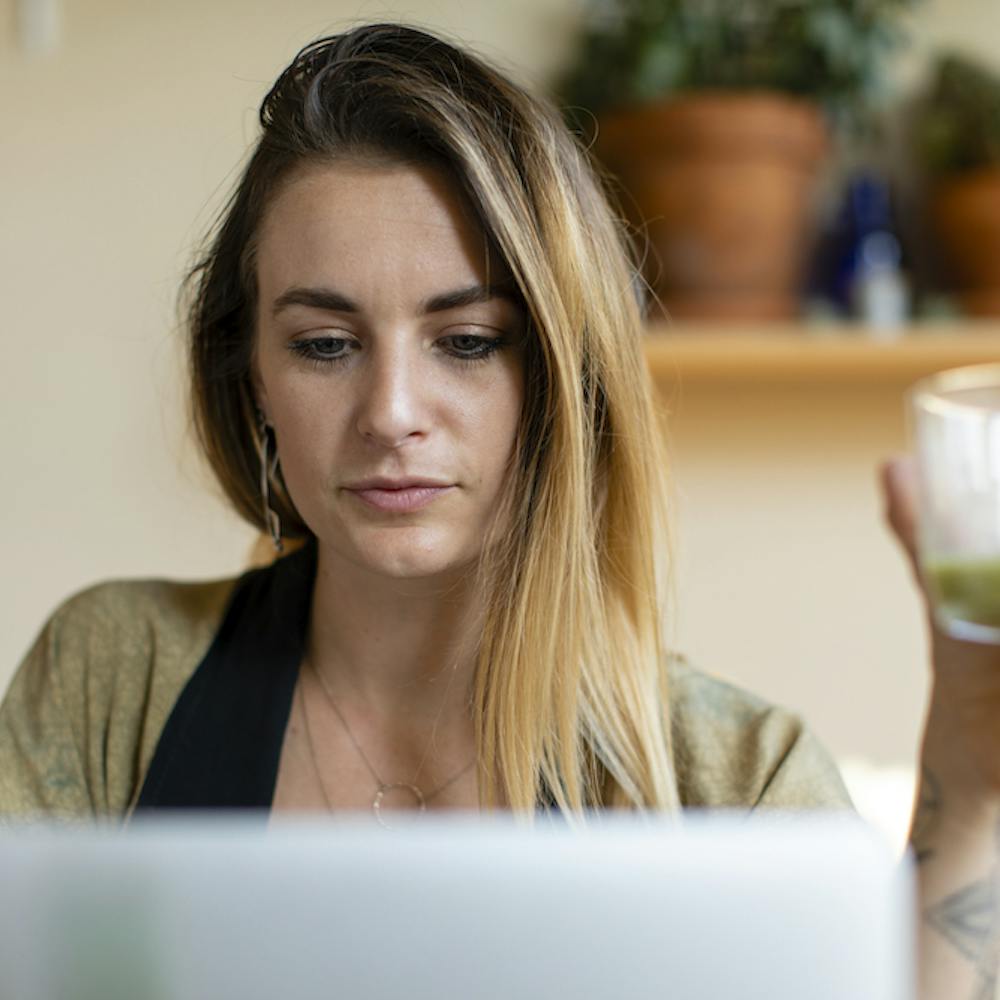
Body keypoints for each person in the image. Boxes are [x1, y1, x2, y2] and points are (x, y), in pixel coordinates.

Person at [0, 21, 996, 998]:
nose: (391, 414)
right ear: (252, 377)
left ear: (565, 380)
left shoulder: (731, 776)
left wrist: (968, 765)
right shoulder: (110, 678)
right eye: (324, 343)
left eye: (468, 340)